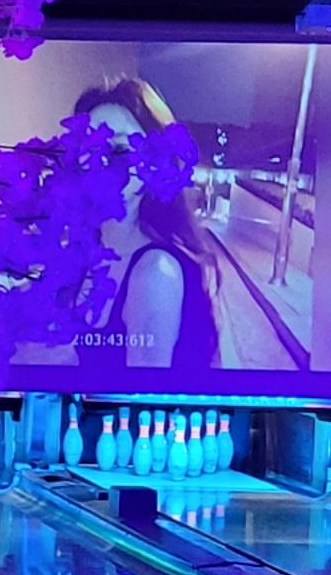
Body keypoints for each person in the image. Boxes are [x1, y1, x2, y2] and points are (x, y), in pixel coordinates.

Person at [67, 74, 219, 372]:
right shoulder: (84, 257)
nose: (101, 161)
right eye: (89, 146)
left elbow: (142, 397)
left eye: (119, 149)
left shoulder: (155, 272)